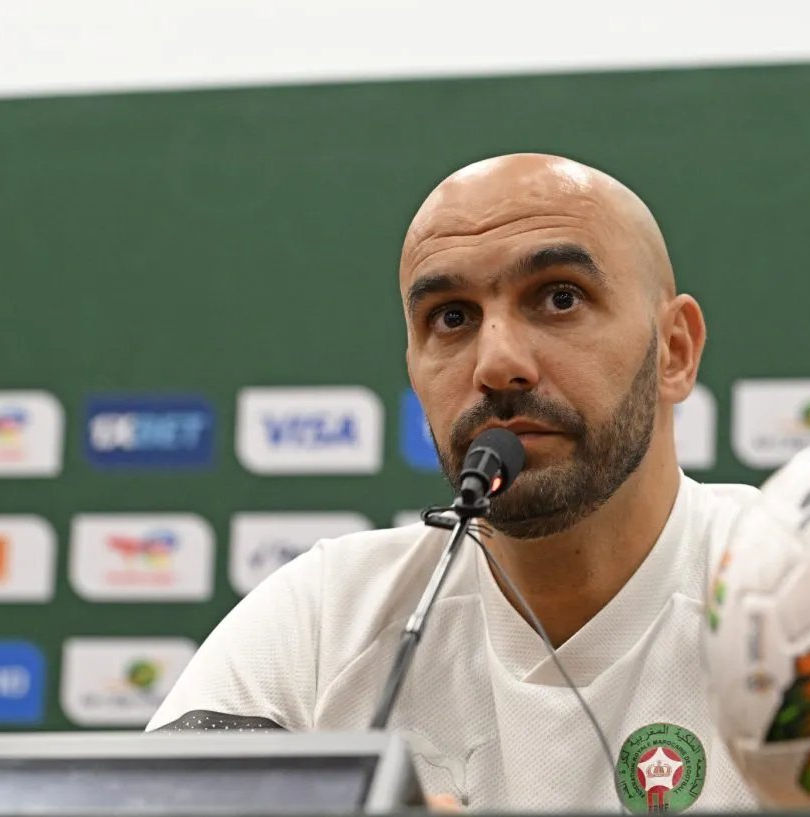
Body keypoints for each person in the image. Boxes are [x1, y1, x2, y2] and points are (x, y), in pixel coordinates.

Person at [148, 153, 760, 812]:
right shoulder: (328, 617)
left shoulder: (804, 595)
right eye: (452, 317)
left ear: (674, 350)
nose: (497, 363)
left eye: (560, 298)